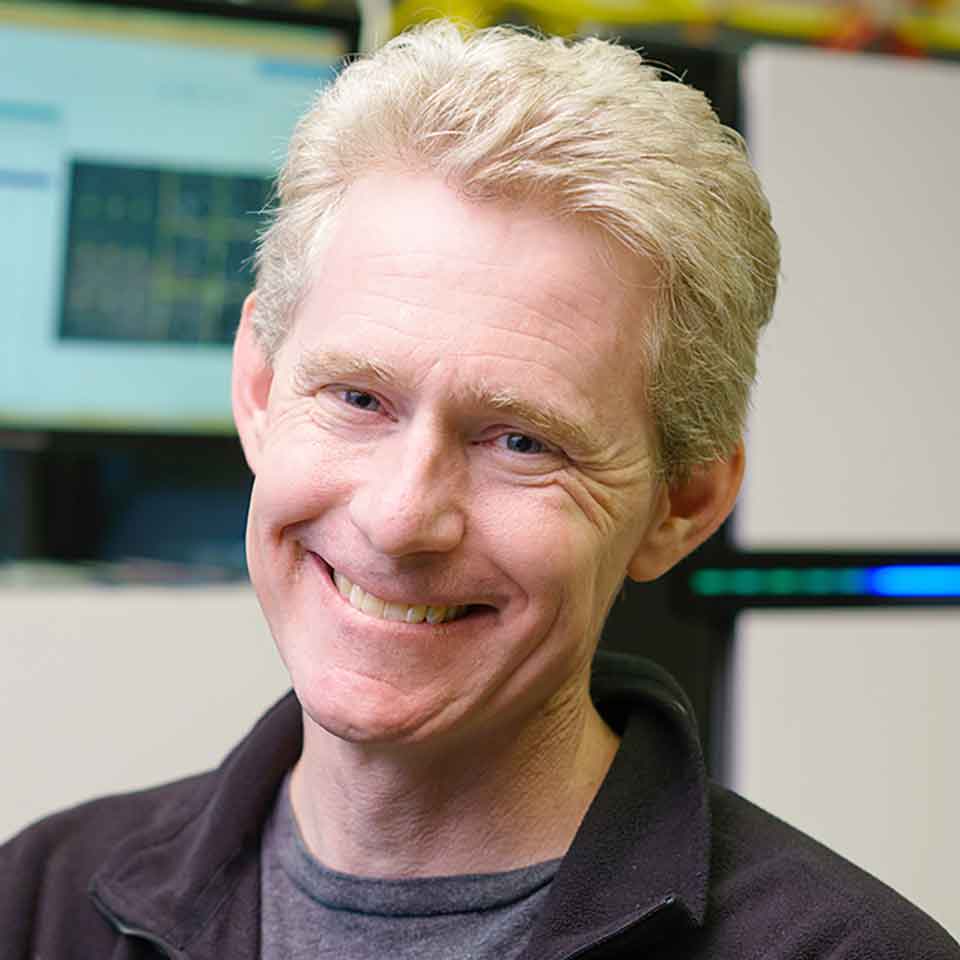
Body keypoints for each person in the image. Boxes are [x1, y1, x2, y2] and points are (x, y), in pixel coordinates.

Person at [2, 20, 957, 959]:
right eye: (358, 397)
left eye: (521, 441)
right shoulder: (36, 906)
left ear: (684, 503)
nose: (400, 516)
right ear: (258, 388)